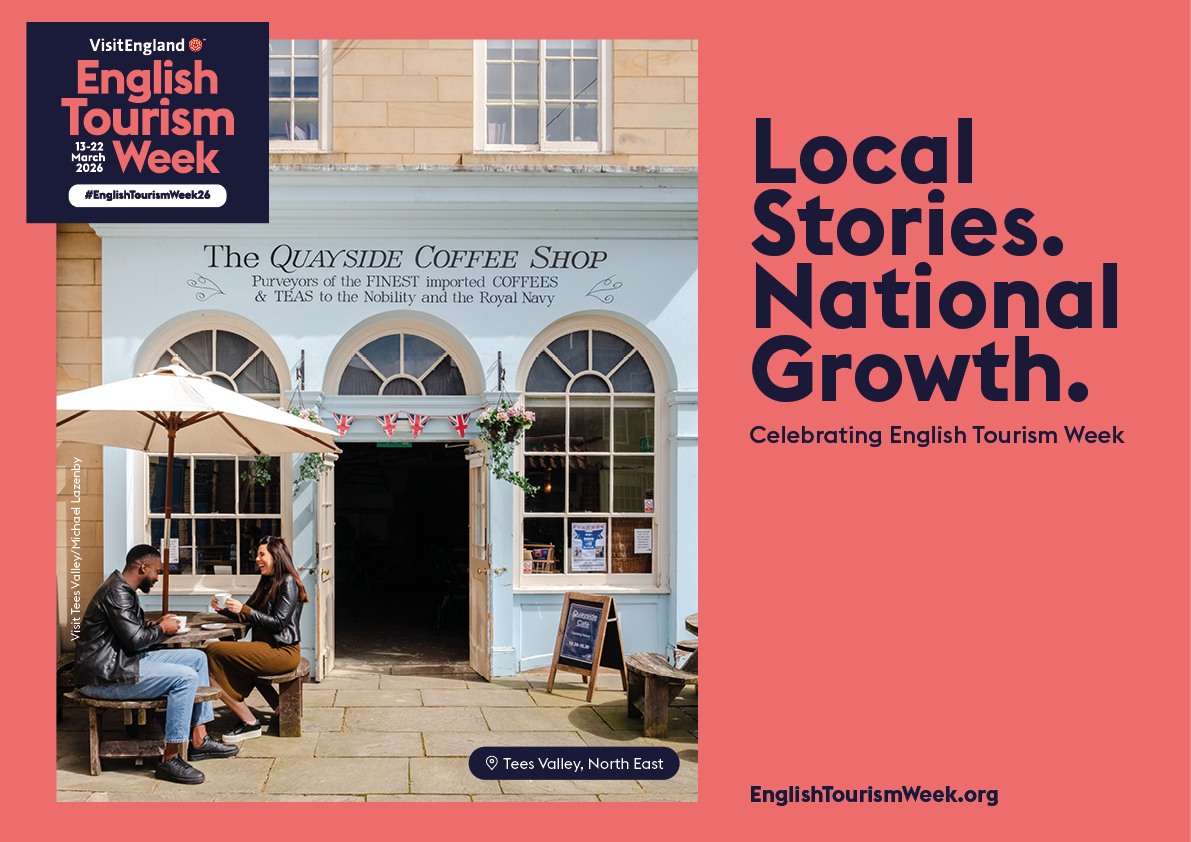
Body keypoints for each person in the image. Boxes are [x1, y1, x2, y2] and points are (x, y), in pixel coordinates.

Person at [74, 545, 239, 785]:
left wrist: (154, 625)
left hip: (121, 663)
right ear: (143, 568)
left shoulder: (122, 588)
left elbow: (130, 632)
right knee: (185, 678)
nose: (157, 578)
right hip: (103, 678)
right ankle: (169, 759)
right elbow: (134, 641)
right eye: (157, 571)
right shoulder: (117, 592)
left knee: (197, 658)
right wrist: (162, 630)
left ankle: (199, 740)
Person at [205, 536, 305, 742]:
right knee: (213, 655)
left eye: (262, 555)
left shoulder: (288, 582)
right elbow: (247, 614)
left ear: (276, 556)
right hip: (264, 648)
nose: (257, 559)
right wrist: (223, 610)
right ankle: (240, 709)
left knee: (212, 652)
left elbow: (279, 623)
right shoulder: (267, 582)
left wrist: (245, 610)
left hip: (283, 651)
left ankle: (249, 723)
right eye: (257, 555)